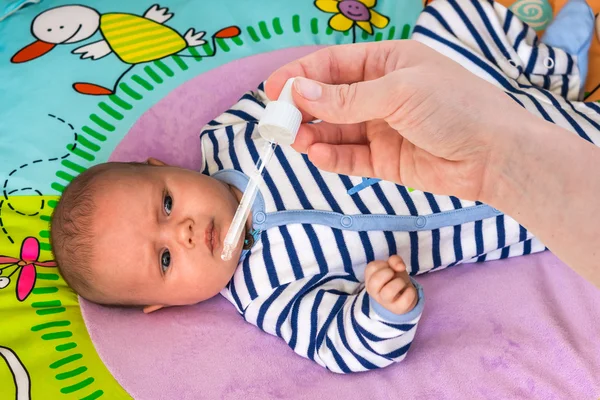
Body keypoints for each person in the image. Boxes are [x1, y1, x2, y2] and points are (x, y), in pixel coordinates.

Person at [50, 0, 599, 375]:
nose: (187, 231)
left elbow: (293, 90)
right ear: (161, 307)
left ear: (162, 165)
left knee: (454, 41)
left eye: (166, 204)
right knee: (573, 157)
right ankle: (555, 75)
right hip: (513, 213)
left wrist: (303, 94)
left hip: (449, 113)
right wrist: (382, 310)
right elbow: (338, 342)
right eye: (165, 259)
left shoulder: (228, 137)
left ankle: (548, 66)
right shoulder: (268, 295)